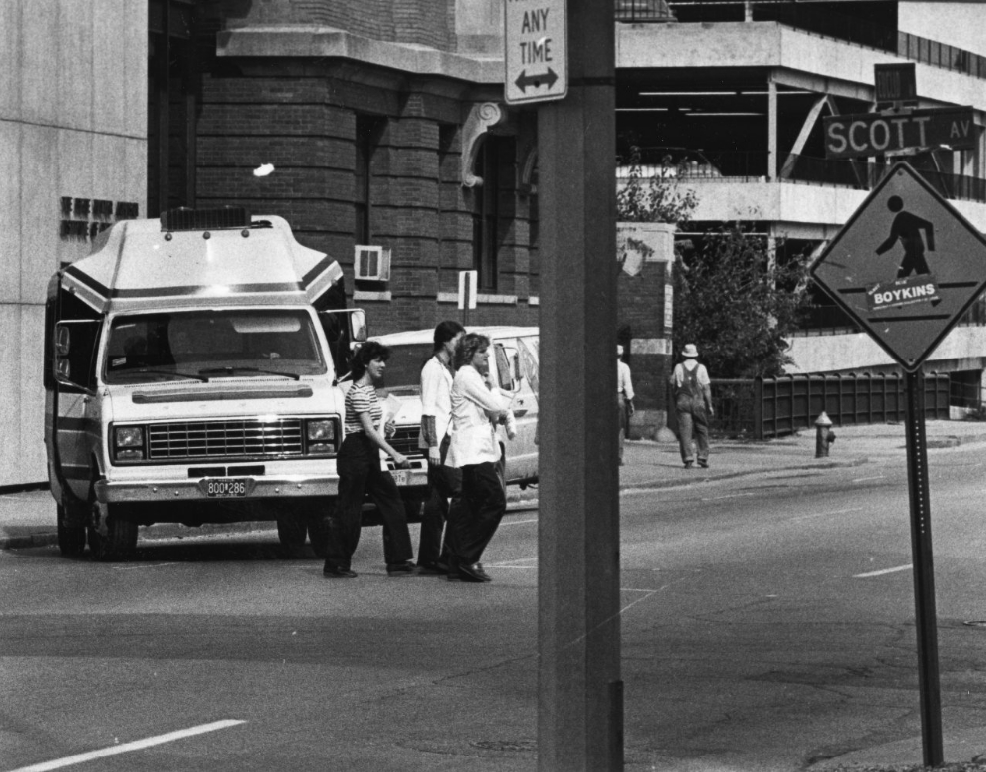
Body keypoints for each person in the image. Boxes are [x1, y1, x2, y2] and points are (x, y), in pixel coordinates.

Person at [323, 341, 416, 578]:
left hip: (370, 453)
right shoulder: (357, 391)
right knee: (349, 509)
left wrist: (388, 428)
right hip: (355, 452)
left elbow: (376, 428)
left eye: (383, 360)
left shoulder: (370, 392)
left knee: (392, 500)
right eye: (377, 360)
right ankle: (336, 564)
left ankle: (397, 560)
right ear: (365, 363)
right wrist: (394, 453)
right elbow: (367, 431)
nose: (382, 365)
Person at [445, 333, 513, 583]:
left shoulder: (471, 376)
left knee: (472, 506)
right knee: (495, 502)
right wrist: (493, 385)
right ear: (469, 354)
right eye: (482, 352)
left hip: (477, 450)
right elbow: (494, 404)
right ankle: (467, 558)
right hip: (473, 452)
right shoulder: (466, 376)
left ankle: (456, 562)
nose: (487, 355)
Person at [416, 320, 466, 574]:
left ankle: (427, 559)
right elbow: (428, 411)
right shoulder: (432, 369)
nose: (462, 344)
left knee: (436, 500)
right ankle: (449, 555)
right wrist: (433, 446)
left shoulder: (447, 368)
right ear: (446, 341)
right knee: (461, 492)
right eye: (459, 339)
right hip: (437, 441)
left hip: (444, 438)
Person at [669, 343, 714, 469]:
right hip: (698, 401)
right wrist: (709, 405)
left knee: (685, 430)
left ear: (684, 354)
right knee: (702, 429)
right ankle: (702, 457)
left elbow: (673, 385)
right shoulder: (702, 368)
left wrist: (675, 400)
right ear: (695, 354)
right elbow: (706, 388)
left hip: (682, 401)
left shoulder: (678, 367)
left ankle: (688, 459)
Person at [617, 344, 635, 466]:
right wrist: (630, 402)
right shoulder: (623, 367)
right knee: (619, 428)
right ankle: (618, 456)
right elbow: (627, 386)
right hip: (618, 397)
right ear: (621, 354)